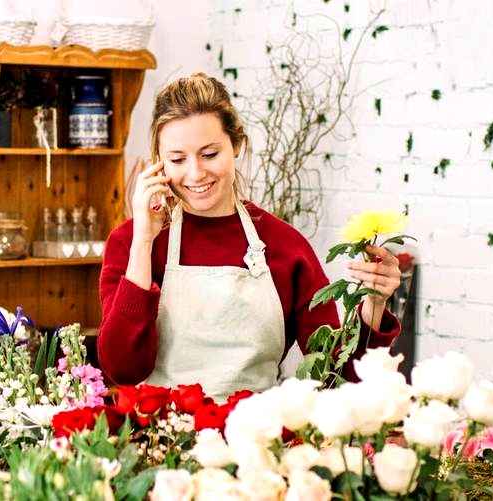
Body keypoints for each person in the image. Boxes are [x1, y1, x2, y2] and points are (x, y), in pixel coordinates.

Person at [97, 73, 403, 398]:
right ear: (159, 164)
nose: (195, 173)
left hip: (255, 441)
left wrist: (373, 303)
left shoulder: (285, 246)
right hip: (159, 441)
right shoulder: (131, 242)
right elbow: (123, 370)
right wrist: (144, 241)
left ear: (237, 145)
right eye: (177, 159)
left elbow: (334, 376)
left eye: (210, 154)